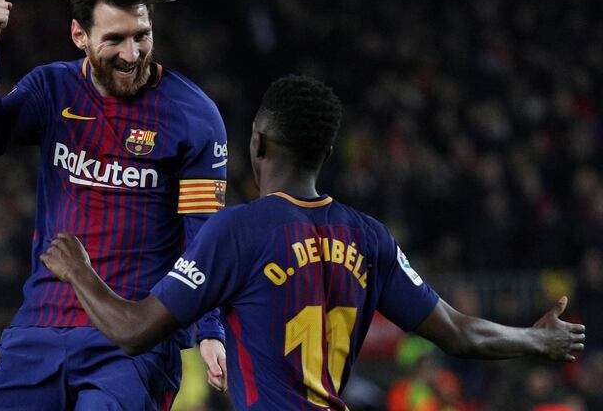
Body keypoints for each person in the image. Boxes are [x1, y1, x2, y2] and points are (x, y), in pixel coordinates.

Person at [41, 75, 587, 410]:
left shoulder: (237, 229)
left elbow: (135, 332)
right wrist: (539, 341)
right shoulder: (370, 236)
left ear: (257, 141)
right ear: (326, 152)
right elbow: (460, 333)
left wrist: (79, 270)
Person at [0, 0, 229, 410]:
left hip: (133, 342)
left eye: (142, 36)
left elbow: (203, 235)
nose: (132, 54)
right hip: (41, 325)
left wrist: (210, 329)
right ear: (79, 35)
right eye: (116, 40)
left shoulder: (194, 116)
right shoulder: (52, 90)